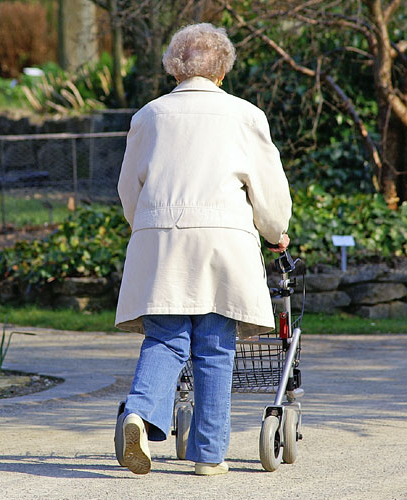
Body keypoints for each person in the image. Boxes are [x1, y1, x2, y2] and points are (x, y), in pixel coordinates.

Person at [114, 23, 292, 476]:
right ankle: (209, 457)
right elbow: (267, 190)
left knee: (166, 339)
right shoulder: (246, 115)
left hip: (162, 239)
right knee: (215, 347)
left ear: (174, 66)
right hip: (223, 240)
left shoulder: (148, 115)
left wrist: (146, 227)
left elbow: (128, 190)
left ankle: (139, 413)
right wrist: (275, 232)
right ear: (223, 69)